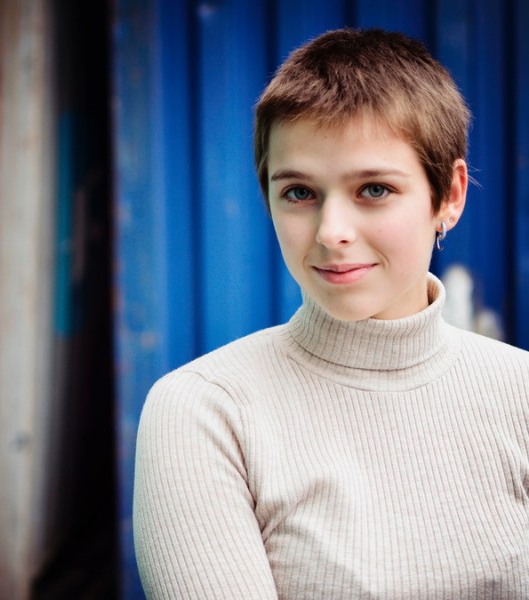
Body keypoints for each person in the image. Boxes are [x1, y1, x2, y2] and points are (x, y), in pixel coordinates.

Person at [133, 28, 529, 599]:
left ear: (450, 196)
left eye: (373, 189)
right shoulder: (204, 411)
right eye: (299, 192)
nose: (331, 233)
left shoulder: (519, 395)